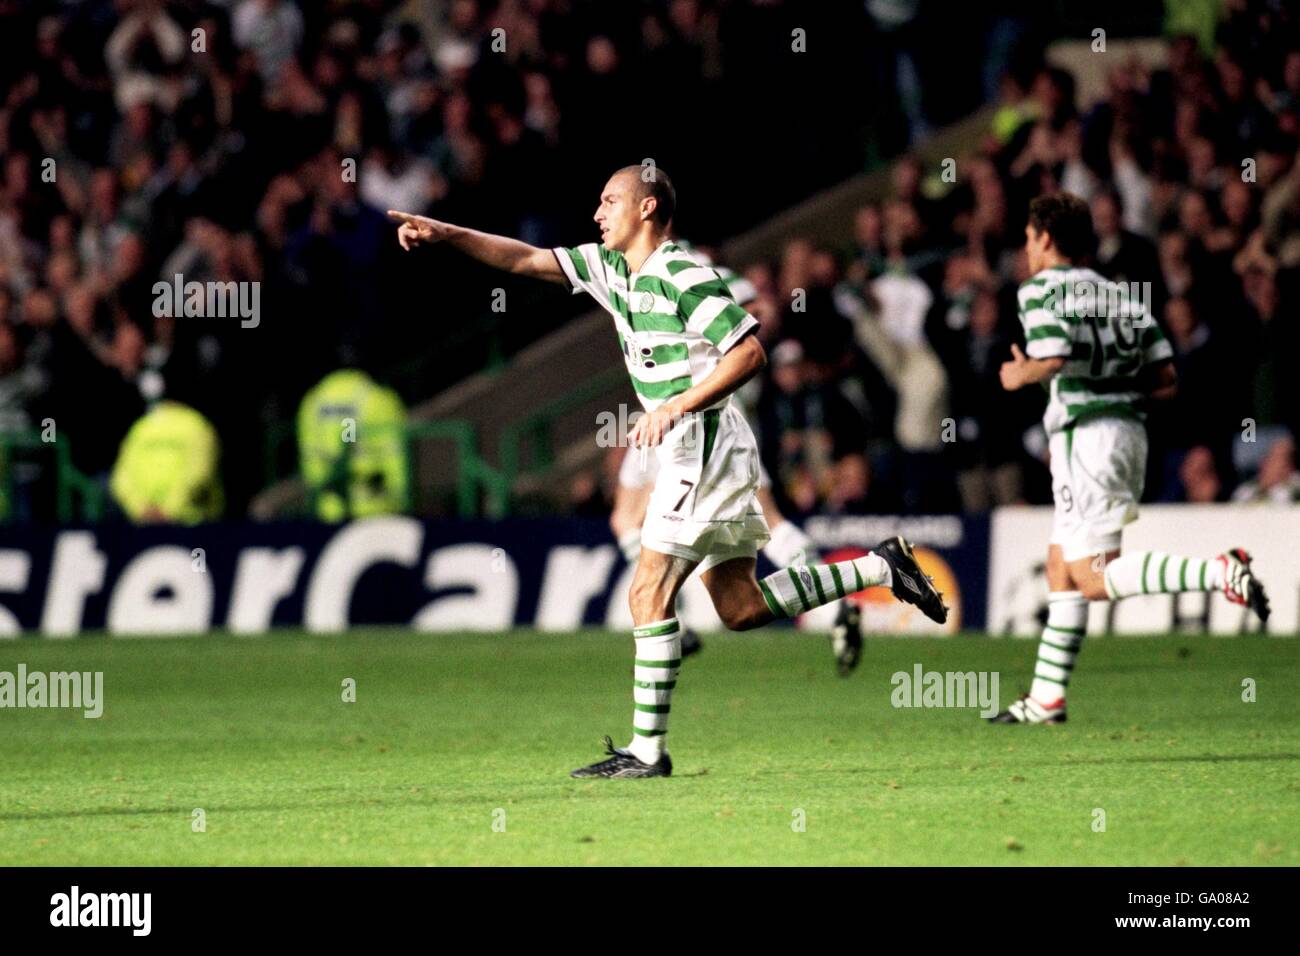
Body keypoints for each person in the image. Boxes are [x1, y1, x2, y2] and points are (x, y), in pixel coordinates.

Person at [388, 164, 947, 778]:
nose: (597, 213)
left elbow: (750, 350)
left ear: (647, 208)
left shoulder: (683, 273)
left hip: (701, 446)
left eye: (608, 201)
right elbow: (523, 260)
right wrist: (446, 233)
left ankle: (648, 752)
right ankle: (880, 566)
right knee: (738, 608)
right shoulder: (610, 269)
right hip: (703, 450)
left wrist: (677, 405)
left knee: (646, 589)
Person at [990, 193, 1270, 726]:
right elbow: (1166, 378)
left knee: (1093, 576)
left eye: (1028, 239)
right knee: (1061, 567)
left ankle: (1218, 571)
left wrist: (1019, 375)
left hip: (1088, 439)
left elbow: (1053, 356)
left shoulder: (1042, 290)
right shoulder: (1123, 296)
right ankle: (1047, 697)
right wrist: (1109, 387)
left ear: (1045, 238)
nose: (1026, 250)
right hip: (1124, 433)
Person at [609, 239, 865, 675]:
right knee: (766, 520)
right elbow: (759, 312)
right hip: (702, 414)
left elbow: (758, 314)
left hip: (693, 415)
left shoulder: (680, 270)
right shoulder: (695, 269)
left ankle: (670, 622)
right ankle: (833, 604)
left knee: (633, 518)